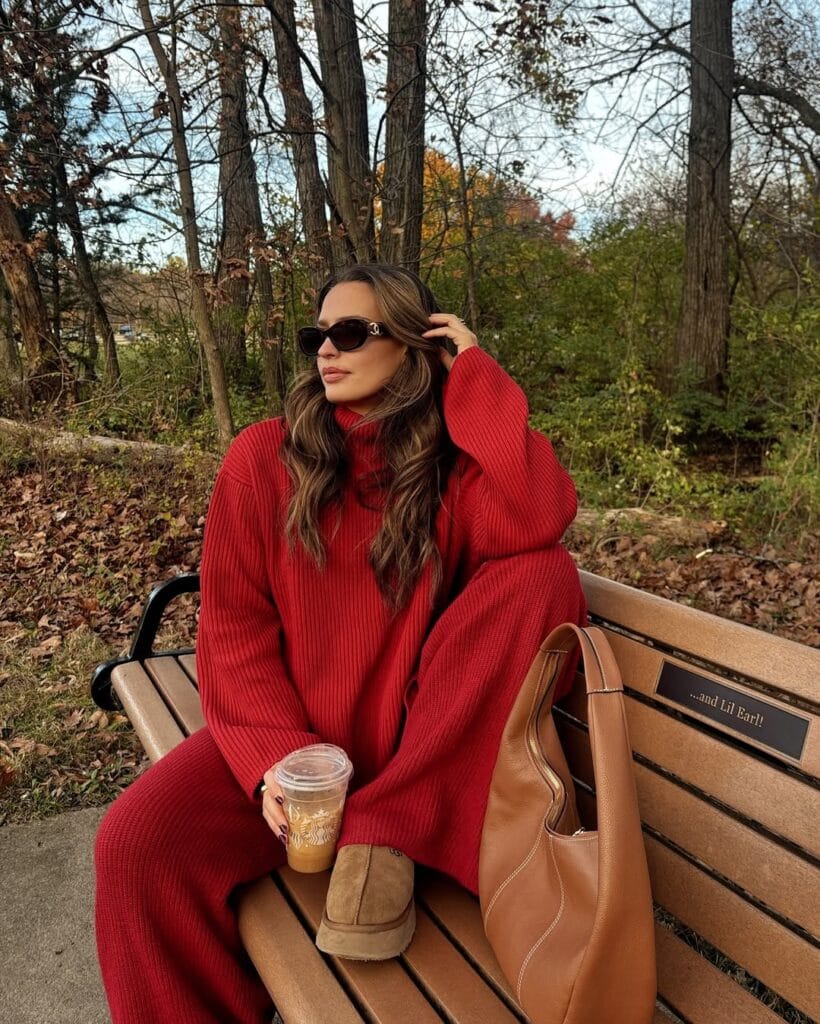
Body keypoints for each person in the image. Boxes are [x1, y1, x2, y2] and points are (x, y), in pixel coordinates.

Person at [94, 264, 585, 1023]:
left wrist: (475, 382)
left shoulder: (453, 472)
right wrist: (277, 766)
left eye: (351, 332)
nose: (327, 349)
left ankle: (390, 825)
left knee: (543, 575)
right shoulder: (262, 459)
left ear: (416, 347)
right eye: (316, 335)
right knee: (137, 846)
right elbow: (233, 632)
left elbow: (539, 517)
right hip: (295, 751)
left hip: (415, 754)